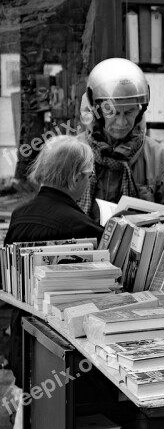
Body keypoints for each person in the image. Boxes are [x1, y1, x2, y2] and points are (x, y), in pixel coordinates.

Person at [3, 135, 104, 387]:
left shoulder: (19, 215)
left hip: (22, 342)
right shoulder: (83, 228)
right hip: (62, 355)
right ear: (76, 177)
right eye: (88, 175)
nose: (88, 181)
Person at [77, 58, 164, 221]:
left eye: (130, 112)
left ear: (141, 111)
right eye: (113, 113)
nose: (122, 123)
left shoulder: (159, 159)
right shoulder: (72, 154)